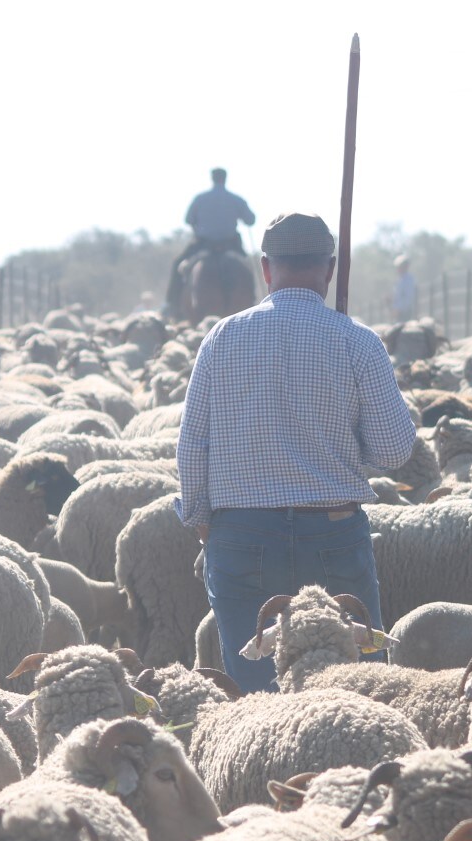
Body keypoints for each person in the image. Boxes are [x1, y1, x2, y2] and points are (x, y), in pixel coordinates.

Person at [175, 212, 418, 692]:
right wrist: (344, 443)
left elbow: (191, 447)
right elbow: (394, 451)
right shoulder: (358, 341)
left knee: (256, 698)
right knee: (354, 690)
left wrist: (206, 526)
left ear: (266, 268)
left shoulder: (221, 339)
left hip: (240, 532)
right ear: (329, 270)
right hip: (332, 529)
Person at [165, 168, 256, 317]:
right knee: (249, 267)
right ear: (225, 179)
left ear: (212, 179)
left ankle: (171, 305)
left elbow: (188, 220)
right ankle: (253, 298)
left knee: (178, 264)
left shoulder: (200, 198)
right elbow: (251, 220)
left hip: (203, 244)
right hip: (230, 244)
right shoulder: (236, 199)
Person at [391, 253, 416, 322]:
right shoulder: (401, 280)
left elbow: (408, 298)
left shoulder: (408, 280)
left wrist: (398, 309)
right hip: (400, 313)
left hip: (405, 313)